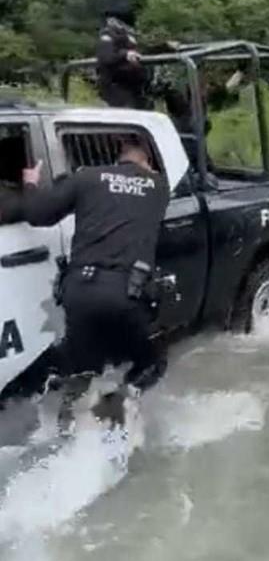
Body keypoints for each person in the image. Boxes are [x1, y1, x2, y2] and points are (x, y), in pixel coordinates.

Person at [0, 133, 171, 426]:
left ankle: (66, 427)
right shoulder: (159, 187)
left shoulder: (87, 178)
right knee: (151, 364)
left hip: (79, 293)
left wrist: (30, 182)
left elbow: (38, 214)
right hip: (126, 296)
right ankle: (115, 413)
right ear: (149, 160)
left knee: (82, 370)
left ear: (119, 153)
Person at [94, 0, 149, 109]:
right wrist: (125, 55)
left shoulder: (129, 35)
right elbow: (106, 56)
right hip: (117, 88)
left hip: (134, 88)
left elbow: (142, 52)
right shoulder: (108, 34)